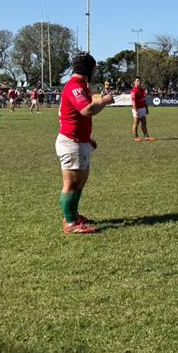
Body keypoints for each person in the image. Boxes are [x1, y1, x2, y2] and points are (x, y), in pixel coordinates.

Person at [56, 53, 115, 235]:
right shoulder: (75, 87)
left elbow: (74, 116)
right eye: (95, 69)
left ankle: (73, 215)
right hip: (71, 143)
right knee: (71, 184)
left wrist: (87, 139)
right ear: (89, 69)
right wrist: (104, 100)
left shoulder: (80, 86)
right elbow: (86, 110)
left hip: (79, 141)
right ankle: (70, 222)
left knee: (80, 181)